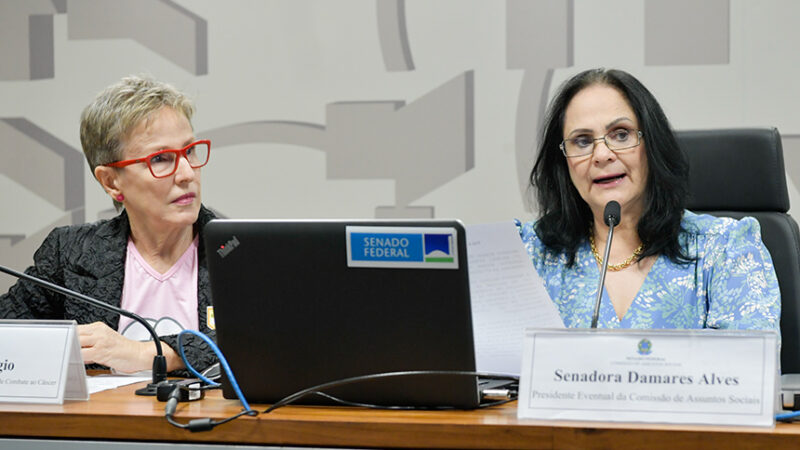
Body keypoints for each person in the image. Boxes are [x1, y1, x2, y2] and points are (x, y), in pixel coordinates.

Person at [520, 68, 780, 330]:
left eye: (621, 134)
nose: (601, 155)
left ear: (652, 144)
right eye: (582, 141)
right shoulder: (528, 254)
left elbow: (747, 364)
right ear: (563, 162)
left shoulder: (725, 248)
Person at [0, 75, 216, 374]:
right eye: (161, 158)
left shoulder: (242, 252)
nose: (187, 173)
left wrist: (148, 354)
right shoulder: (71, 254)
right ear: (111, 182)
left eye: (189, 151)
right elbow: (8, 335)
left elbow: (268, 338)